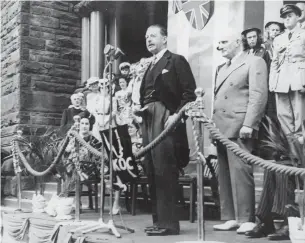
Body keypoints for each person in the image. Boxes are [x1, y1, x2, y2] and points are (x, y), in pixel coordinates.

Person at [139, 24, 196, 236]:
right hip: (147, 118)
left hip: (166, 119)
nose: (148, 39)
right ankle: (158, 221)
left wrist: (176, 115)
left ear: (165, 39)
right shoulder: (148, 65)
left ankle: (170, 224)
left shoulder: (176, 61)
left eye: (153, 35)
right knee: (152, 170)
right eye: (146, 36)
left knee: (165, 169)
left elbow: (189, 94)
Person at [212, 29, 268, 234]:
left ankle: (246, 218)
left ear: (238, 42)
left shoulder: (254, 61)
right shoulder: (223, 67)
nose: (220, 46)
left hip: (239, 125)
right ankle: (230, 216)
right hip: (221, 125)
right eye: (219, 42)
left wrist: (249, 123)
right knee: (225, 174)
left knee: (241, 172)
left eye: (224, 41)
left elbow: (258, 95)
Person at [269, 4, 305, 137]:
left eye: (290, 16)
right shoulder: (279, 39)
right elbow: (275, 62)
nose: (287, 19)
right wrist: (272, 83)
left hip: (299, 81)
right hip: (281, 82)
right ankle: (293, 154)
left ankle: (302, 156)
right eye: (284, 17)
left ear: (298, 17)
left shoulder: (303, 35)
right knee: (283, 117)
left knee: (300, 117)